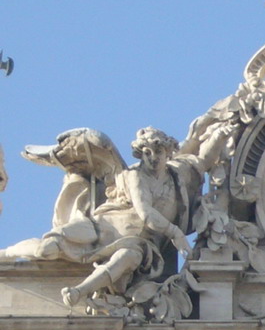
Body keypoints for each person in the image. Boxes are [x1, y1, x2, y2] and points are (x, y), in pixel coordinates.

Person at [1, 122, 233, 307]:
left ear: (168, 151)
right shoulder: (135, 176)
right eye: (147, 152)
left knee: (128, 258)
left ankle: (79, 292)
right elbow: (146, 213)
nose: (153, 158)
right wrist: (175, 232)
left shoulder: (177, 175)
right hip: (101, 227)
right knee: (46, 249)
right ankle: (6, 253)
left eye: (158, 151)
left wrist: (220, 134)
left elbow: (203, 161)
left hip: (139, 243)